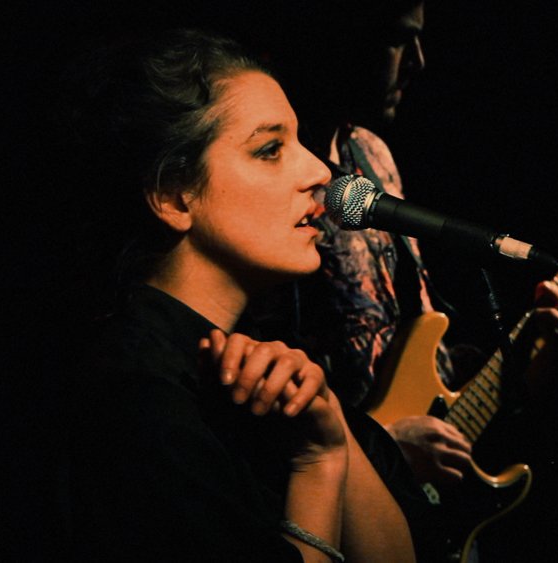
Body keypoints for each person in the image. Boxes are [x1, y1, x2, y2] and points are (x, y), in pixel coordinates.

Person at [58, 28, 417, 562]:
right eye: (270, 149)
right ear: (174, 195)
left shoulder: (272, 367)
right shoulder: (139, 396)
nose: (319, 171)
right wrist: (317, 465)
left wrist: (334, 430)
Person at [231, 0, 558, 487]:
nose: (419, 60)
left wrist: (522, 355)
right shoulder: (269, 180)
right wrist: (384, 447)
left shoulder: (372, 153)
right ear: (338, 38)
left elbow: (419, 341)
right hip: (335, 489)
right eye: (397, 39)